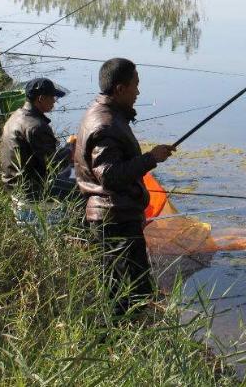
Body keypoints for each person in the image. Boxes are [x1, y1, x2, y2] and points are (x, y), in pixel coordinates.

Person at [74, 58, 175, 315]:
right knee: (131, 296)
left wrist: (151, 156)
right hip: (115, 219)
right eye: (135, 86)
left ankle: (123, 340)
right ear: (120, 89)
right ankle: (130, 343)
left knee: (119, 291)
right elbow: (109, 176)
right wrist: (150, 159)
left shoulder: (104, 114)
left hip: (113, 215)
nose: (138, 92)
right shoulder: (106, 125)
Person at [0, 78, 75, 217]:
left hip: (13, 184)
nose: (54, 101)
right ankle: (87, 231)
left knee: (70, 173)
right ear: (40, 98)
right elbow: (54, 165)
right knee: (84, 188)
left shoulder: (16, 116)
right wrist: (70, 149)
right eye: (52, 97)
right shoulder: (36, 126)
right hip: (31, 190)